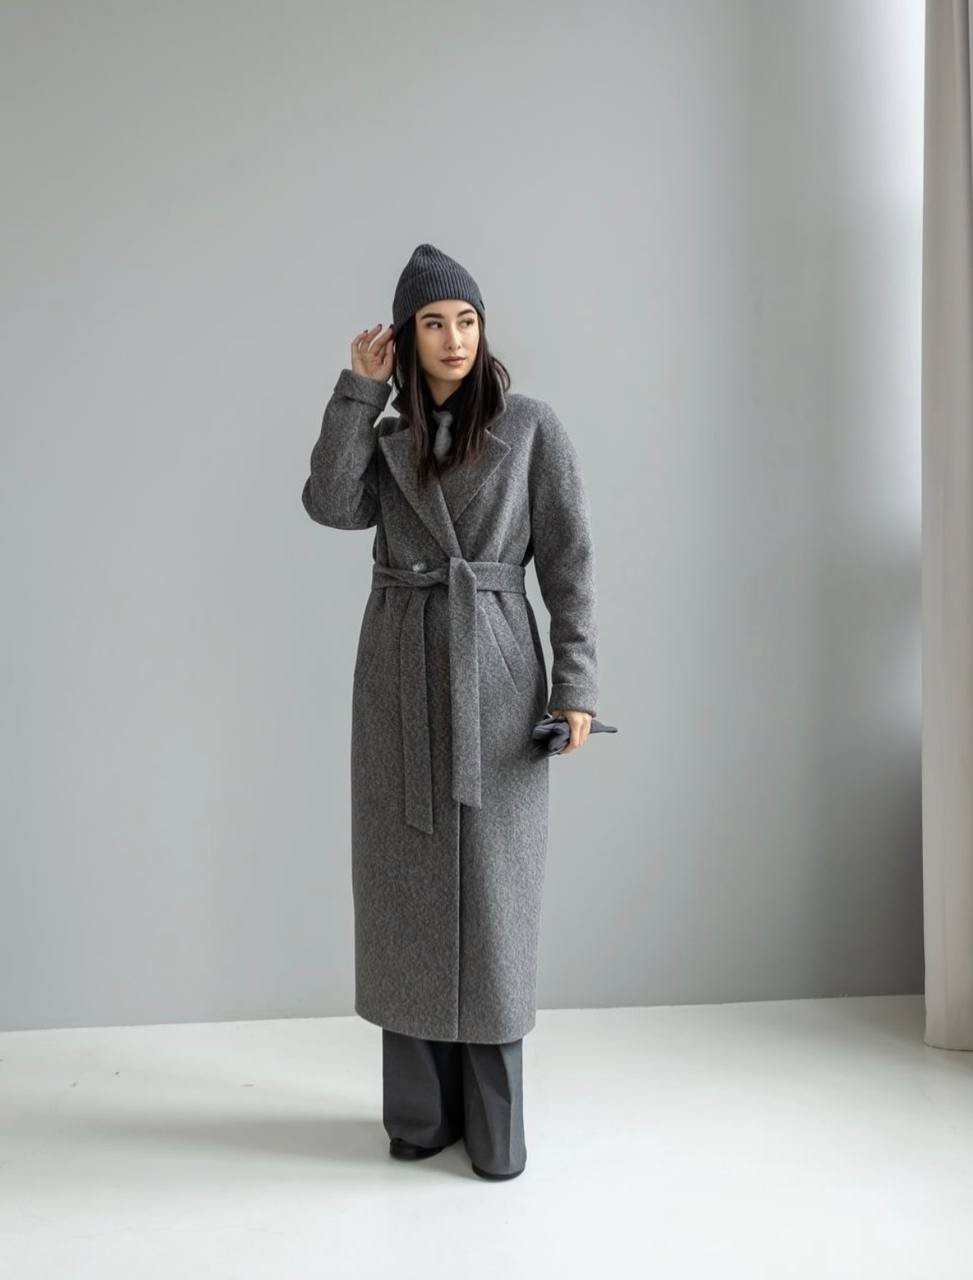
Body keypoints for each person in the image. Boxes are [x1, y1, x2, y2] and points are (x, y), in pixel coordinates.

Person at [302, 243, 601, 1180]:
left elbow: (570, 563)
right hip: (399, 670)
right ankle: (419, 1118)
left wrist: (576, 686)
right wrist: (357, 395)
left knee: (495, 899)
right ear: (405, 339)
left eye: (466, 320)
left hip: (496, 671)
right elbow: (329, 504)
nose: (453, 338)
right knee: (405, 894)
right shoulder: (387, 436)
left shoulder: (533, 428)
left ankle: (495, 1126)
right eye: (432, 323)